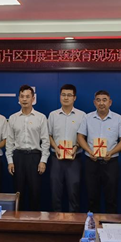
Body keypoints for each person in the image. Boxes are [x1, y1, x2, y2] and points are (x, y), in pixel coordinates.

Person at [77, 90, 121, 214]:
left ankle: (110, 225)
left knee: (111, 198)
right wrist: (89, 151)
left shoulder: (119, 119)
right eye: (98, 100)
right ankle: (93, 225)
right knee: (92, 198)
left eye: (104, 100)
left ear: (110, 102)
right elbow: (80, 137)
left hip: (111, 162)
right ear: (94, 103)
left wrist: (111, 152)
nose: (101, 103)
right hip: (91, 162)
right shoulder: (87, 118)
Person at [6, 85, 50, 211]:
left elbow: (45, 141)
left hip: (35, 157)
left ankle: (34, 221)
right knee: (18, 192)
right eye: (22, 96)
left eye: (27, 96)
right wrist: (10, 161)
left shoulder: (41, 117)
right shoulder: (13, 118)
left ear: (33, 98)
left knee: (35, 192)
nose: (24, 99)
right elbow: (10, 142)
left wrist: (43, 161)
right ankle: (17, 220)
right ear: (18, 98)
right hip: (18, 157)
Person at [48, 84, 86, 212]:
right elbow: (49, 135)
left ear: (74, 98)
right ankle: (56, 221)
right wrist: (56, 148)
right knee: (55, 192)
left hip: (75, 159)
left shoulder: (82, 115)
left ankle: (73, 222)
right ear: (60, 97)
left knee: (74, 192)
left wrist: (76, 147)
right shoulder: (53, 115)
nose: (66, 98)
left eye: (69, 95)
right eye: (63, 95)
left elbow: (84, 137)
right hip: (56, 158)